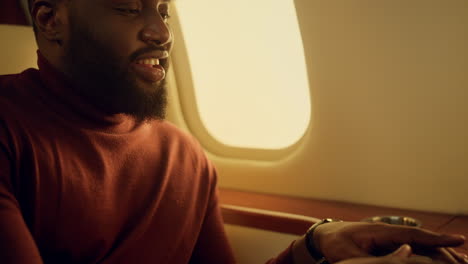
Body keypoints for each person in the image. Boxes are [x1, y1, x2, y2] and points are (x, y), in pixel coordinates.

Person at [0, 0, 466, 263]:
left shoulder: (183, 155)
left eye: (163, 9)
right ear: (49, 20)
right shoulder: (10, 130)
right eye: (128, 8)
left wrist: (317, 246)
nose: (160, 32)